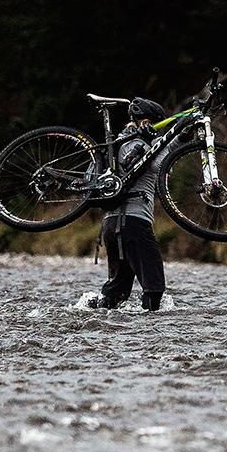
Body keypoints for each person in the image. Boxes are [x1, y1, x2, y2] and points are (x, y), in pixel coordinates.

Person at [88, 97, 171, 311]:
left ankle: (95, 317)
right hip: (132, 223)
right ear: (146, 122)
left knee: (118, 291)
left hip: (113, 225)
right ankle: (151, 333)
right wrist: (153, 142)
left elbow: (165, 154)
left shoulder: (119, 143)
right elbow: (161, 165)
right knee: (154, 286)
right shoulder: (133, 143)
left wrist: (180, 139)